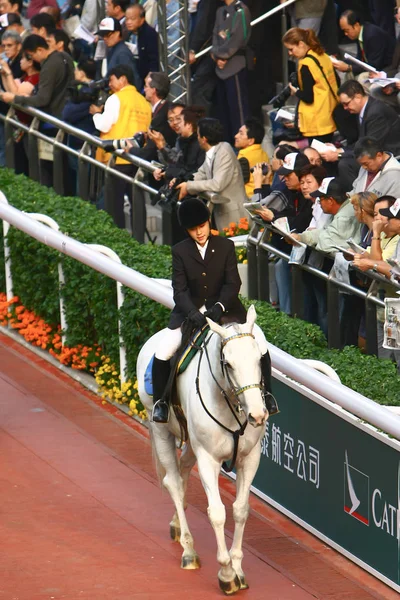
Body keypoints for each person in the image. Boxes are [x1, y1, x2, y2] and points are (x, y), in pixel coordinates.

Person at [151, 197, 279, 423]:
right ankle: (161, 403)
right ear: (187, 230)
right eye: (193, 229)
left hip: (227, 309)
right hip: (191, 313)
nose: (199, 232)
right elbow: (179, 291)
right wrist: (192, 313)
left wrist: (219, 306)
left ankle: (268, 395)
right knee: (163, 351)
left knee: (260, 343)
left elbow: (233, 284)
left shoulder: (225, 246)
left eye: (201, 226)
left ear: (208, 222)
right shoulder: (180, 251)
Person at [91, 63, 151, 228]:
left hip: (117, 157)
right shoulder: (144, 102)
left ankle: (118, 236)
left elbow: (104, 125)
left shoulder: (116, 98)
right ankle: (138, 240)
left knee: (114, 203)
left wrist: (96, 114)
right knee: (137, 201)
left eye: (111, 80)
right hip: (137, 158)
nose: (109, 84)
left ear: (123, 79)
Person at [319, 80, 400, 190]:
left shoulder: (376, 112)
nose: (345, 108)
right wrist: (339, 150)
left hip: (388, 153)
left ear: (357, 97)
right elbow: (361, 141)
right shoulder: (363, 110)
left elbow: (369, 147)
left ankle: (358, 197)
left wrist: (338, 155)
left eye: (346, 104)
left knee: (345, 164)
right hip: (372, 150)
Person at [177, 117, 247, 230]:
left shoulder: (224, 151)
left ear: (204, 139)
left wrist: (188, 186)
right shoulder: (211, 152)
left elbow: (217, 184)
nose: (197, 137)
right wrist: (181, 183)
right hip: (222, 212)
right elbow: (201, 173)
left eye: (198, 134)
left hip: (234, 215)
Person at [282, 27, 338, 144]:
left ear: (301, 44)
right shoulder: (323, 56)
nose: (290, 53)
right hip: (330, 113)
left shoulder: (306, 65)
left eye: (291, 49)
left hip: (317, 121)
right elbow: (336, 80)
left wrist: (295, 91)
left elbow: (308, 97)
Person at [210, 0, 251, 143]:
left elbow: (238, 38)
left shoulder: (241, 10)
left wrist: (222, 55)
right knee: (223, 111)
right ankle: (227, 144)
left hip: (235, 65)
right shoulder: (220, 11)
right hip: (219, 67)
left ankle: (243, 145)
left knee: (238, 112)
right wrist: (215, 55)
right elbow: (215, 35)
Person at [335, 10, 395, 75]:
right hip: (375, 66)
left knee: (360, 77)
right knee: (350, 74)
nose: (345, 34)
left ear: (356, 25)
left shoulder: (372, 36)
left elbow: (374, 65)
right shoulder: (360, 33)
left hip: (387, 69)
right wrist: (340, 62)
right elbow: (359, 59)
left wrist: (349, 68)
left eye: (347, 30)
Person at [95, 17, 141, 90]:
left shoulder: (122, 54)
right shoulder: (113, 50)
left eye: (107, 35)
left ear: (117, 33)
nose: (105, 38)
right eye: (103, 36)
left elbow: (134, 81)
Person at [125, 3, 159, 90]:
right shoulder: (127, 33)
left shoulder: (150, 34)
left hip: (144, 80)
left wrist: (150, 76)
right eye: (127, 19)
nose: (128, 22)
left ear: (142, 19)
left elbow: (154, 60)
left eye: (132, 19)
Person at [234, 117, 269, 198]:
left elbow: (237, 182)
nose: (236, 136)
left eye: (241, 133)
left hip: (248, 199)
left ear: (251, 141)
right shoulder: (264, 154)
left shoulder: (244, 157)